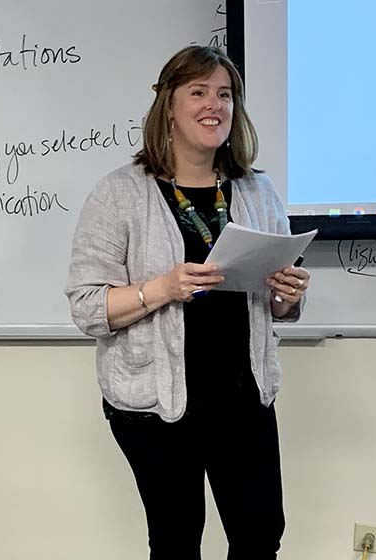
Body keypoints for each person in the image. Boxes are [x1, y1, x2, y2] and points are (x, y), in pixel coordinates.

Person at [65, 46, 309, 560]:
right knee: (176, 543)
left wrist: (287, 298)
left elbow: (276, 310)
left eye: (224, 94)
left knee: (261, 536)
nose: (213, 105)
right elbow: (88, 308)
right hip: (157, 408)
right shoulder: (118, 195)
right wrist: (164, 288)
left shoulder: (257, 191)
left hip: (244, 397)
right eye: (197, 92)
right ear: (168, 107)